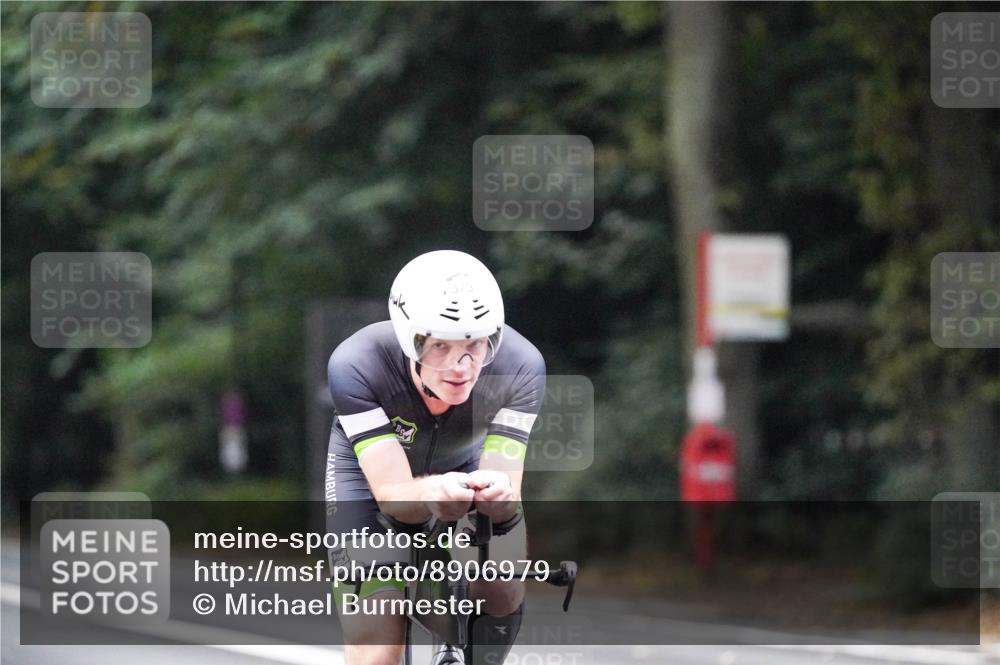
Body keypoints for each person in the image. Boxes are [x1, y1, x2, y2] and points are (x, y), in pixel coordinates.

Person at [325, 250, 546, 665]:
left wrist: (499, 498)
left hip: (466, 464)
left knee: (502, 589)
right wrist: (433, 492)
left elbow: (504, 487)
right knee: (376, 648)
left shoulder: (521, 367)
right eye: (440, 346)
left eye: (475, 344)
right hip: (371, 480)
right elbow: (392, 495)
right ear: (409, 339)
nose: (461, 366)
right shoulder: (357, 364)